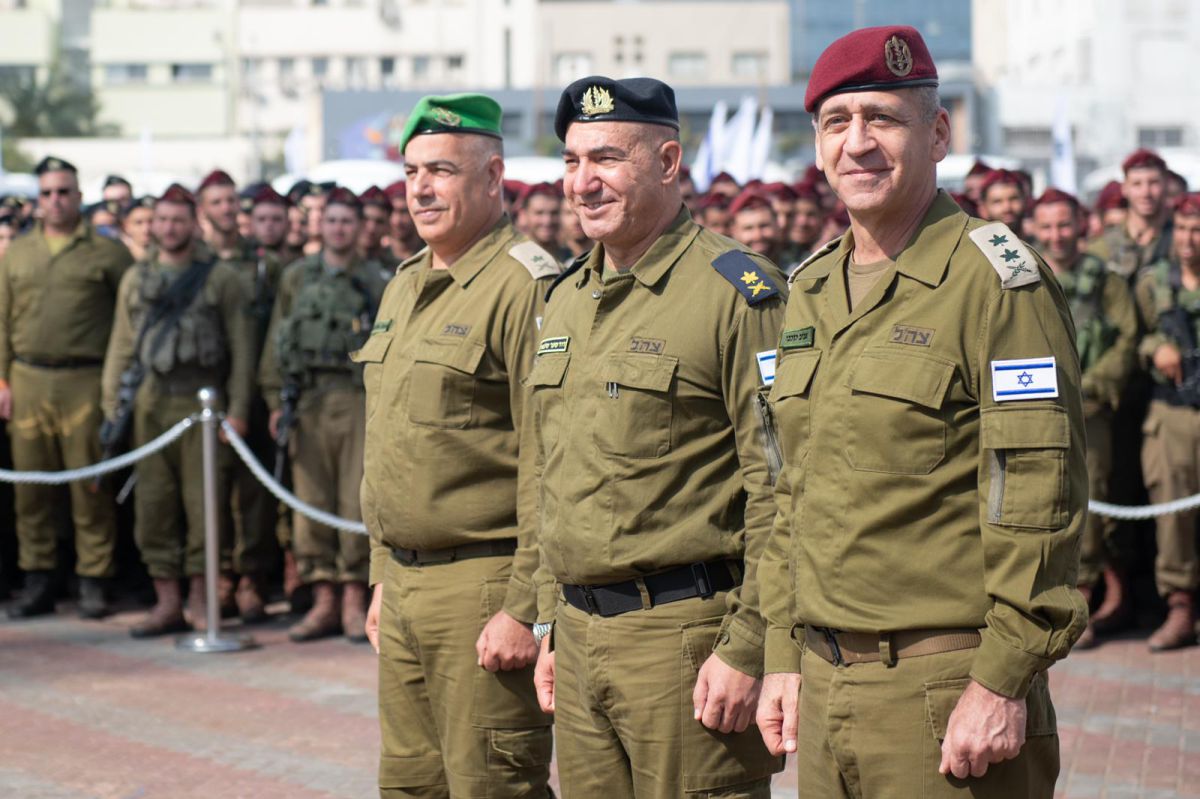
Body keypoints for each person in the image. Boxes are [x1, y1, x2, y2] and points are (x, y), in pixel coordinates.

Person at [755, 27, 1087, 798]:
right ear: (816, 146)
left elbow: (1038, 490)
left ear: (937, 134)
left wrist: (1002, 681)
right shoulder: (809, 288)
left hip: (947, 691)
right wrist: (780, 649)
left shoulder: (997, 281)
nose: (858, 143)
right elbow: (787, 492)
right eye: (837, 123)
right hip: (826, 684)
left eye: (883, 118)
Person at [529, 75, 785, 797]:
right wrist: (550, 616)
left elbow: (782, 485)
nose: (583, 182)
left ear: (668, 163)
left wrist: (748, 644)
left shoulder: (738, 292)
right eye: (573, 161)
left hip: (685, 642)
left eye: (606, 159)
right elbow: (556, 473)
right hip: (579, 642)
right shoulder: (568, 298)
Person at [357, 93, 558, 797]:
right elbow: (391, 443)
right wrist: (384, 570)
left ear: (493, 175)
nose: (420, 187)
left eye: (441, 169)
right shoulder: (406, 284)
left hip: (483, 585)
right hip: (406, 586)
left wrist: (525, 604)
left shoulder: (524, 285)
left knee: (492, 784)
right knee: (410, 783)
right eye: (412, 170)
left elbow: (547, 459)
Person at [100, 184, 254, 636]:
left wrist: (239, 410)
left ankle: (201, 602)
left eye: (178, 220)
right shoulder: (137, 277)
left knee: (204, 507)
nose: (169, 228)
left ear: (194, 224)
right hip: (150, 402)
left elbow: (243, 352)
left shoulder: (221, 278)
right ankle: (166, 601)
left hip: (202, 402)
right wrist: (113, 405)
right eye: (162, 220)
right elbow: (122, 344)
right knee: (154, 507)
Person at [0, 156, 133, 620]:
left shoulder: (108, 253)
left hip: (85, 380)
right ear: (38, 200)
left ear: (79, 196)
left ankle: (94, 579)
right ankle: (38, 578)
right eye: (48, 193)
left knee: (88, 486)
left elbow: (128, 321)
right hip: (28, 379)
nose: (55, 201)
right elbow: (2, 320)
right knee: (31, 489)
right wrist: (1, 378)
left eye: (64, 192)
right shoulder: (18, 251)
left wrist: (114, 388)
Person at [260, 187, 387, 643]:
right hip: (308, 398)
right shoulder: (297, 277)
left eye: (346, 222)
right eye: (331, 220)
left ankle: (354, 597)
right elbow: (277, 338)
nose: (338, 229)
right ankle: (322, 599)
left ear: (358, 228)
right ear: (320, 225)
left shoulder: (377, 279)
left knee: (355, 500)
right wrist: (276, 399)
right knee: (310, 502)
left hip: (356, 399)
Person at [1031, 188, 1139, 648]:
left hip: (1089, 410)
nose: (1057, 236)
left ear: (1082, 225)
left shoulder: (1105, 280)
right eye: (1048, 227)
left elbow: (1127, 340)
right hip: (1032, 408)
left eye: (1064, 224)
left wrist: (1088, 384)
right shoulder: (1023, 273)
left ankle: (1085, 596)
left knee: (1089, 505)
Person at [198, 169, 281, 621]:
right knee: (211, 491)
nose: (228, 209)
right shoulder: (195, 262)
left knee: (253, 495)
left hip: (251, 390)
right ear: (203, 210)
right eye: (218, 202)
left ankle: (251, 578)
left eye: (232, 201)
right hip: (204, 395)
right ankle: (220, 577)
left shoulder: (263, 262)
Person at [1132, 192, 1200, 652]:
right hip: (1172, 412)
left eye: (1197, 230)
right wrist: (1155, 346)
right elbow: (1130, 336)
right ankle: (1180, 605)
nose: (1188, 240)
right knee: (1173, 514)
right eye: (1181, 229)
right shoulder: (1153, 282)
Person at [1089, 149, 1172, 281]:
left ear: (1166, 185)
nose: (1146, 193)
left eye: (1153, 183)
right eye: (1137, 184)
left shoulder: (1182, 241)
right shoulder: (1103, 246)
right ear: (1125, 188)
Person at [729, 188, 786, 265]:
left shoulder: (798, 266)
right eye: (748, 228)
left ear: (777, 225)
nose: (758, 236)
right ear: (734, 231)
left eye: (764, 226)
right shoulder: (721, 273)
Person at [516, 182, 569, 263]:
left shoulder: (570, 258)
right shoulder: (516, 257)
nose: (547, 221)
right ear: (524, 214)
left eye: (554, 213)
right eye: (539, 213)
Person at [250, 186, 302, 267]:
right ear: (252, 223)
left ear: (288, 224)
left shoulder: (300, 265)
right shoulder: (239, 264)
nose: (269, 226)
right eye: (261, 219)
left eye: (276, 219)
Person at [382, 181, 423, 264]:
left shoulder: (431, 255)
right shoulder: (377, 258)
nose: (397, 221)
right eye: (391, 211)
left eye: (404, 212)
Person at [120, 196, 156, 262]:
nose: (146, 229)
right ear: (126, 226)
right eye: (138, 223)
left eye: (151, 222)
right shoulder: (117, 255)